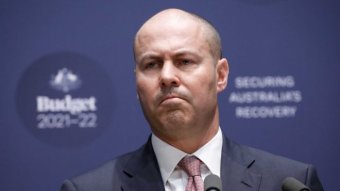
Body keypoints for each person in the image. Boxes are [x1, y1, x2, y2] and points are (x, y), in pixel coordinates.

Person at [61, 8, 324, 191]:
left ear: (220, 75)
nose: (166, 77)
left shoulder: (289, 183)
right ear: (136, 81)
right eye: (151, 64)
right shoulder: (86, 189)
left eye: (184, 61)